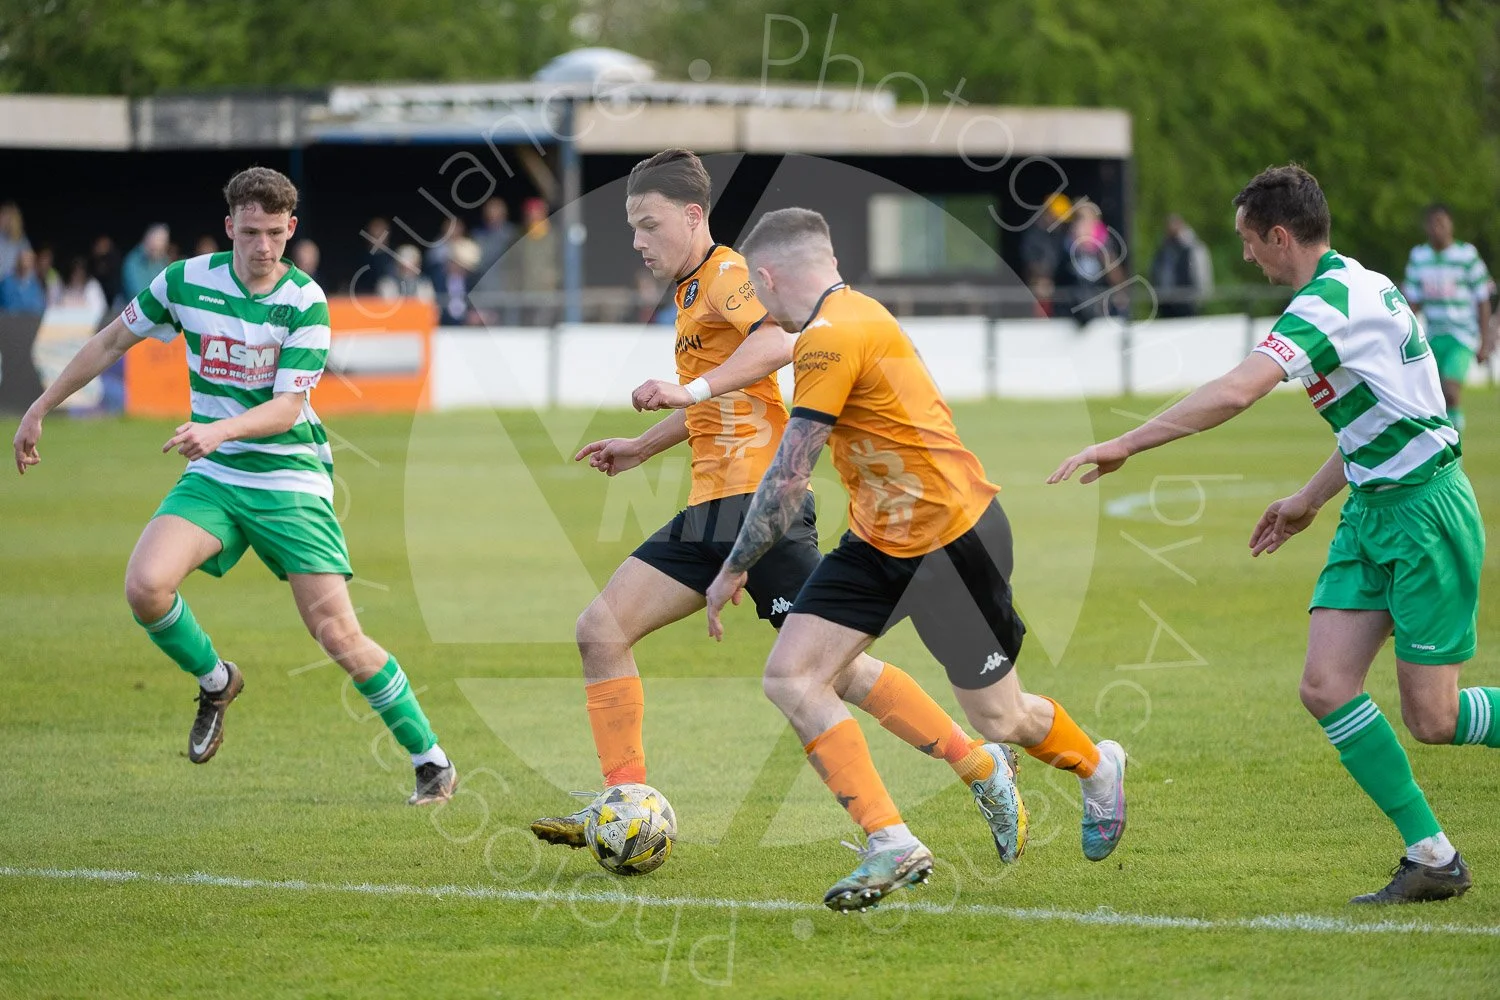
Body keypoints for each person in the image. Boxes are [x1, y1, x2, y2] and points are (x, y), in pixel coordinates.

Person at [530, 151, 1030, 876]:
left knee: (834, 674)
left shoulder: (731, 273)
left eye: (649, 224)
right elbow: (727, 390)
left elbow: (778, 342)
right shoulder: (693, 290)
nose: (638, 241)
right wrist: (644, 445)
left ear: (694, 217)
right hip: (711, 510)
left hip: (762, 508)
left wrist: (689, 393)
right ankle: (625, 798)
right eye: (633, 227)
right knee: (601, 631)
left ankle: (979, 765)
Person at [1050, 164, 1490, 904]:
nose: (1247, 257)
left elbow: (1236, 391)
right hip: (1371, 510)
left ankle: (1434, 857)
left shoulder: (1326, 304)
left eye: (1250, 243)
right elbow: (1381, 417)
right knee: (1325, 685)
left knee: (1434, 718)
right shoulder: (1356, 283)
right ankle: (1433, 857)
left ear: (1280, 236)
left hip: (1422, 515)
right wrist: (1312, 498)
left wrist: (1127, 442)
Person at [703, 206, 1128, 910]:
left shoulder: (832, 338)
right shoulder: (851, 315)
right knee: (793, 676)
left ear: (770, 276)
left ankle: (1096, 765)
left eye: (755, 288)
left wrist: (733, 565)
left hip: (953, 540)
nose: (758, 304)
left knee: (1001, 717)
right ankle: (890, 840)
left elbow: (788, 475)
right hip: (878, 540)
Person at [11, 166, 457, 807]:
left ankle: (430, 760)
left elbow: (284, 409)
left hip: (290, 476)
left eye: (276, 233)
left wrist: (217, 432)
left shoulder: (304, 300)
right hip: (217, 476)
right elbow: (111, 340)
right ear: (229, 228)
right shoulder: (185, 281)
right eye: (251, 232)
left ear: (291, 229)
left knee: (336, 634)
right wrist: (41, 406)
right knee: (145, 587)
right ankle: (217, 680)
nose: (264, 247)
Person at [1402, 203, 1495, 436]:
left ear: (1450, 225)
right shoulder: (1419, 256)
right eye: (1432, 223)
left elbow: (1482, 298)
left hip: (1461, 335)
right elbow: (1411, 301)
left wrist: (1486, 339)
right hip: (1432, 335)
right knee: (1432, 397)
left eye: (1442, 223)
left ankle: (1456, 447)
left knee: (1451, 392)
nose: (1437, 228)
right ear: (1426, 227)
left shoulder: (1466, 255)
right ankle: (1441, 445)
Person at [1150, 214, 1209, 318]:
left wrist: (1200, 297)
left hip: (1187, 300)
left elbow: (1201, 273)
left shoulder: (1192, 247)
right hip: (1166, 302)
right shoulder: (1164, 248)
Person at [516, 197, 559, 325]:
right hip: (525, 292)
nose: (532, 216)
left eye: (536, 212)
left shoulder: (554, 237)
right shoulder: (519, 238)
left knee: (543, 325)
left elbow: (563, 264)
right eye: (529, 213)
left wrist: (554, 276)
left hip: (547, 292)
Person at [121, 224, 170, 300]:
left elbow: (169, 286)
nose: (160, 252)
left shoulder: (162, 259)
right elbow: (138, 295)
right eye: (157, 248)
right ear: (148, 240)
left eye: (162, 248)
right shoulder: (133, 262)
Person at [0, 248, 46, 313]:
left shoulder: (35, 285)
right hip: (9, 321)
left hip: (31, 321)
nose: (25, 263)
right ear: (17, 262)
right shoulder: (6, 283)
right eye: (23, 260)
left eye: (29, 260)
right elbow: (8, 306)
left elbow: (39, 307)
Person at [0, 202, 31, 281]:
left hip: (10, 286)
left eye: (5, 216)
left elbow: (28, 268)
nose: (2, 218)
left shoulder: (22, 242)